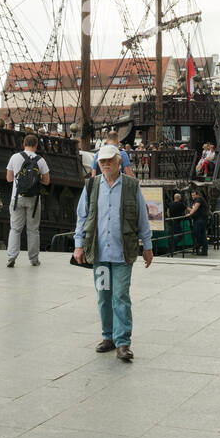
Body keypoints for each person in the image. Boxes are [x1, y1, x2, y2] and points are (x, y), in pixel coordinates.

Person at [74, 144, 154, 362]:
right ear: (98, 164)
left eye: (110, 160)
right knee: (103, 296)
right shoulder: (91, 186)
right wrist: (78, 245)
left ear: (120, 161)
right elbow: (82, 217)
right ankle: (107, 336)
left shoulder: (131, 185)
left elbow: (141, 218)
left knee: (120, 295)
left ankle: (122, 342)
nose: (106, 164)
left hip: (122, 252)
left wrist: (147, 246)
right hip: (98, 252)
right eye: (102, 161)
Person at [6, 133, 51, 267]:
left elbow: (9, 179)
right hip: (34, 199)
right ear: (36, 145)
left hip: (17, 197)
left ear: (23, 144)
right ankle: (34, 259)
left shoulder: (14, 157)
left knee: (15, 229)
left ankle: (11, 257)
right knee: (33, 230)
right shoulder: (40, 160)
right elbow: (47, 181)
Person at [188, 187, 210, 256]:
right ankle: (204, 251)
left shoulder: (199, 199)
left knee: (196, 232)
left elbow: (196, 207)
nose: (193, 197)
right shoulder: (195, 200)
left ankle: (199, 243)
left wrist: (190, 213)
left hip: (200, 219)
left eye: (194, 195)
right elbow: (195, 209)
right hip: (199, 219)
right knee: (203, 234)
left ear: (197, 195)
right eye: (192, 195)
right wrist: (189, 209)